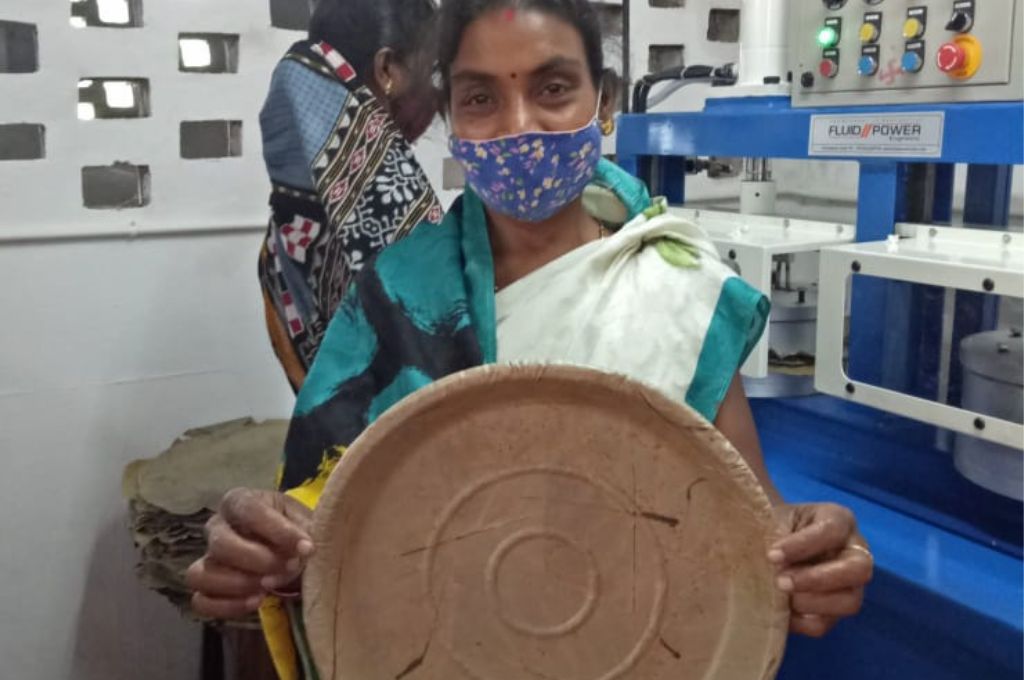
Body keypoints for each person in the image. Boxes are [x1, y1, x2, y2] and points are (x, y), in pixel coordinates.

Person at [188, 1, 874, 676]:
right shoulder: (397, 296)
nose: (520, 128)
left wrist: (807, 550)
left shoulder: (679, 289)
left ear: (603, 102)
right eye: (481, 97)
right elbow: (327, 534)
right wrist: (264, 547)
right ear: (452, 122)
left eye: (552, 88)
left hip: (631, 650)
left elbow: (749, 519)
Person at [258, 0, 444, 393]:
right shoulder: (402, 225)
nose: (437, 94)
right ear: (387, 70)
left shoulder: (279, 250)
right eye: (431, 71)